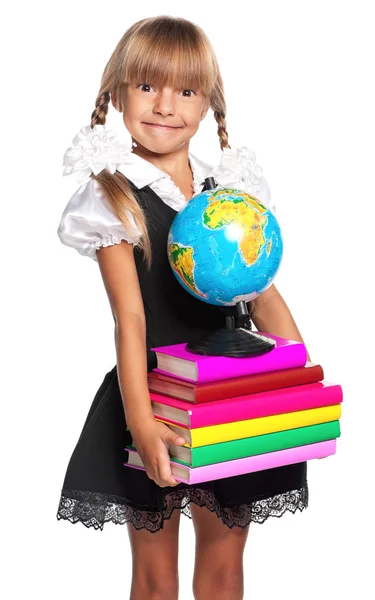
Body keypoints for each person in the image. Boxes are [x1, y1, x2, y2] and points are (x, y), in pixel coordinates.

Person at [56, 15, 311, 600]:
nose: (166, 105)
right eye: (148, 86)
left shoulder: (230, 190)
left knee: (224, 568)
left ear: (207, 105)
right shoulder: (112, 194)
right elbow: (131, 318)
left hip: (235, 394)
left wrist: (296, 376)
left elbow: (263, 293)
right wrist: (142, 424)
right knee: (154, 575)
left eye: (186, 91)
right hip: (157, 396)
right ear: (117, 92)